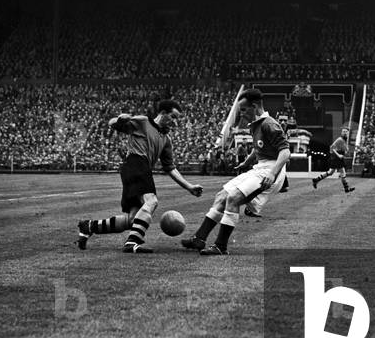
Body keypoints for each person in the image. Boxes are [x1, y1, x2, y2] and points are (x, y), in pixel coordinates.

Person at [76, 100, 203, 253]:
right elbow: (112, 123)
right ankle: (133, 242)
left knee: (132, 219)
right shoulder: (143, 122)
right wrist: (120, 119)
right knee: (151, 201)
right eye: (173, 117)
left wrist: (189, 187)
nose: (176, 122)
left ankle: (89, 226)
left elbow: (170, 168)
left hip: (139, 168)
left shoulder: (166, 140)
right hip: (136, 163)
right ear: (163, 113)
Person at [182, 88, 289, 255]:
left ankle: (220, 246)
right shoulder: (255, 125)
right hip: (260, 167)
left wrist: (272, 173)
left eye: (244, 109)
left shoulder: (269, 124)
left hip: (271, 170)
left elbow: (285, 152)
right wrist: (247, 162)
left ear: (254, 106)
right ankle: (199, 239)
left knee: (233, 198)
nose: (241, 114)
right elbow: (258, 149)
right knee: (222, 196)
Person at [311, 126, 354, 193]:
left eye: (346, 132)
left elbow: (343, 149)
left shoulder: (344, 140)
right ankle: (346, 188)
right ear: (341, 133)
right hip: (337, 158)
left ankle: (316, 180)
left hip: (336, 158)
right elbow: (332, 147)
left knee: (330, 172)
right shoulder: (340, 139)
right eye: (343, 131)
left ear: (348, 133)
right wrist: (338, 155)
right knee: (343, 173)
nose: (345, 133)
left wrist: (345, 151)